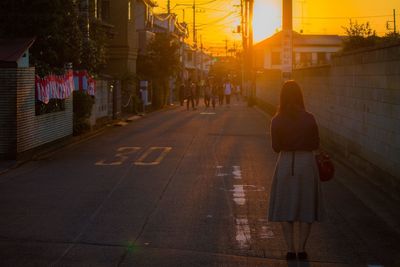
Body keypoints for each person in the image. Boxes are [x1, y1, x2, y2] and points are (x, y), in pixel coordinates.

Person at [267, 80, 324, 262]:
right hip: (306, 163)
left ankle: (290, 250)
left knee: (286, 206)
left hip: (285, 162)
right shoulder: (310, 118)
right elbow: (316, 144)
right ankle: (302, 249)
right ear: (300, 96)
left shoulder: (276, 120)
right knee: (306, 207)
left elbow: (276, 147)